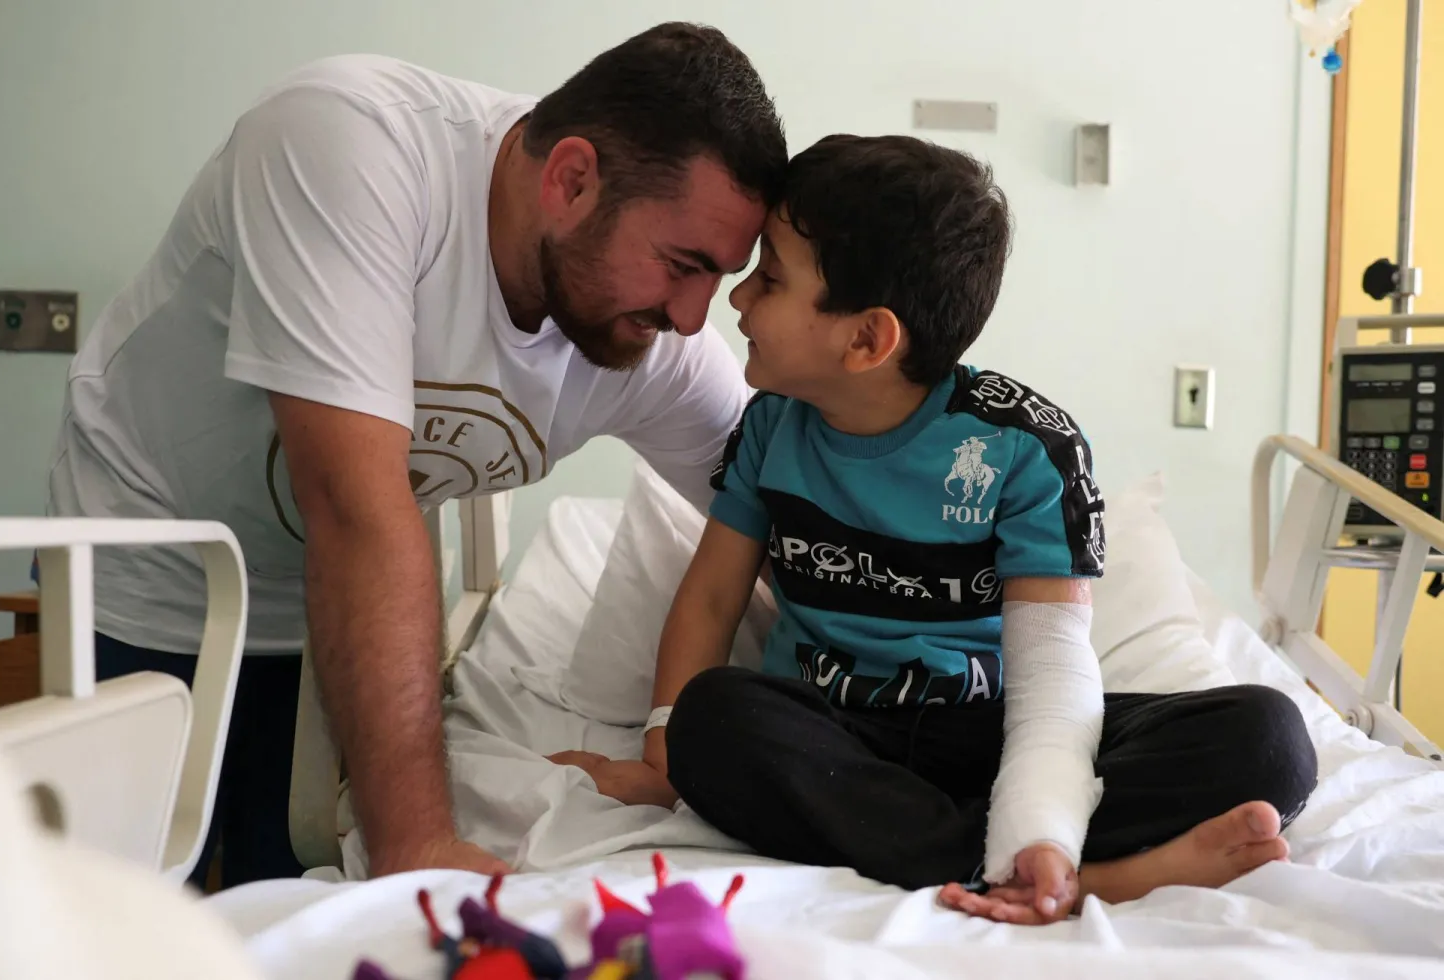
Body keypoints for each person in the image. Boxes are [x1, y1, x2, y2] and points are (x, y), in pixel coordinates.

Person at [45, 23, 787, 888]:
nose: (695, 316)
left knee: (278, 891)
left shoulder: (655, 344)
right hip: (155, 565)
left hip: (336, 620)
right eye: (681, 265)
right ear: (572, 179)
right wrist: (418, 843)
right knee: (109, 904)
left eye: (721, 279)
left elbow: (800, 522)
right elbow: (357, 510)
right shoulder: (348, 142)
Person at [551, 135, 1319, 924]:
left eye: (770, 278)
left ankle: (1027, 859)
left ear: (866, 340)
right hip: (835, 741)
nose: (737, 301)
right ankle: (1081, 877)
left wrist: (1040, 819)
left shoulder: (1026, 447)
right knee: (712, 719)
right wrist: (665, 754)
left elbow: (1054, 680)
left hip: (991, 736)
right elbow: (713, 598)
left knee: (1267, 738)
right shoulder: (770, 429)